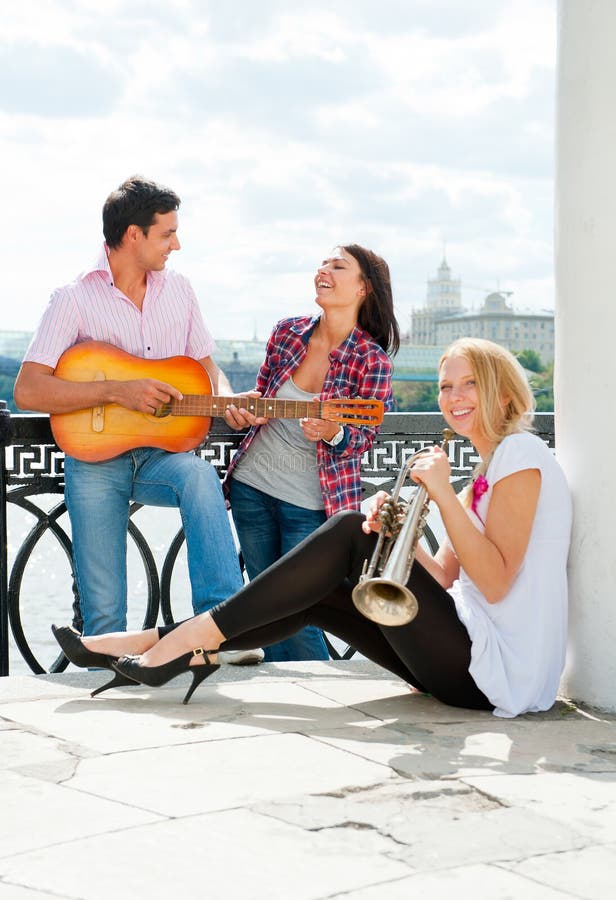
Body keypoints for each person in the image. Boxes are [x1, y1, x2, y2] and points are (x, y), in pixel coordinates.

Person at [53, 337, 573, 718]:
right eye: (445, 386)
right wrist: (400, 541)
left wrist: (438, 493)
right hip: (460, 660)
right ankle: (155, 645)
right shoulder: (480, 478)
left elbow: (499, 581)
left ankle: (186, 640)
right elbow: (443, 584)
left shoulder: (522, 455)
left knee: (347, 529)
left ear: (504, 395)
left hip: (496, 675)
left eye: (469, 384)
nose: (454, 396)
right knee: (320, 589)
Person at [15, 175, 245, 645]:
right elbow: (29, 390)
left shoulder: (179, 291)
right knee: (104, 618)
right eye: (167, 233)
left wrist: (229, 398)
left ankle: (223, 630)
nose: (177, 244)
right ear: (133, 234)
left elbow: (206, 367)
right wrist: (117, 392)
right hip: (94, 460)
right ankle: (108, 691)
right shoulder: (73, 298)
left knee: (201, 477)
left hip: (161, 457)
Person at [222, 244, 398, 662]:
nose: (324, 270)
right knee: (261, 607)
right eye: (322, 264)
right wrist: (243, 412)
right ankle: (287, 694)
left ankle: (323, 688)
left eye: (338, 266)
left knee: (297, 609)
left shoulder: (370, 360)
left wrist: (336, 433)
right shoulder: (287, 332)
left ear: (363, 288)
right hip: (252, 486)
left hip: (312, 502)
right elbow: (262, 398)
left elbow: (365, 435)